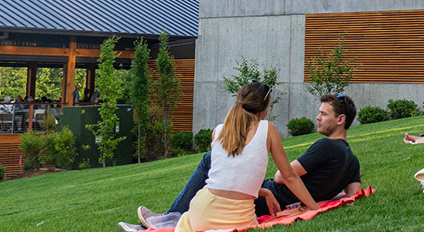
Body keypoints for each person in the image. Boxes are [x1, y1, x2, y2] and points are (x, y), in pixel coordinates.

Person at [128, 94, 361, 231]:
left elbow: (284, 177)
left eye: (323, 114)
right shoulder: (352, 159)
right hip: (275, 198)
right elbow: (352, 194)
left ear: (340, 120)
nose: (318, 117)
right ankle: (172, 218)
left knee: (211, 158)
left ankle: (169, 218)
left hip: (270, 198)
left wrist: (312, 206)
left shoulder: (326, 146)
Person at [171, 83, 318, 231]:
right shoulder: (268, 129)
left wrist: (265, 192)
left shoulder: (218, 131)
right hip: (238, 218)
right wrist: (315, 208)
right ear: (264, 109)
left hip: (201, 213)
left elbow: (227, 180)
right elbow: (289, 176)